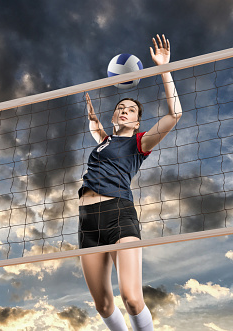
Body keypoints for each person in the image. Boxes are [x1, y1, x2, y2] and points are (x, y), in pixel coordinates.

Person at [79, 34, 182, 331]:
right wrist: (93, 120)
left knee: (132, 298)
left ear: (137, 122)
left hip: (118, 215)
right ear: (114, 117)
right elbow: (97, 130)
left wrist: (163, 67)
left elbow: (175, 114)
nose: (124, 109)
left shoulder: (139, 142)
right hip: (87, 221)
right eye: (120, 107)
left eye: (131, 109)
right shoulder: (105, 141)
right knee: (103, 305)